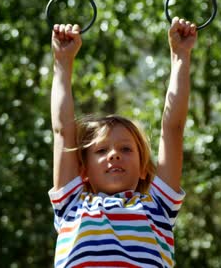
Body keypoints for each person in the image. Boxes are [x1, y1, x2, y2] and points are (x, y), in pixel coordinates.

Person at [48, 17, 197, 267]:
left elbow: (173, 130)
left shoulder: (158, 207)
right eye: (101, 150)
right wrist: (62, 63)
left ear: (142, 169)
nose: (114, 155)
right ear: (82, 170)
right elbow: (63, 131)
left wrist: (180, 56)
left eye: (126, 149)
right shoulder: (71, 204)